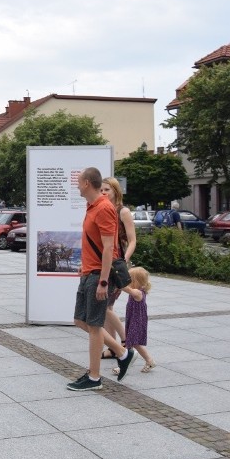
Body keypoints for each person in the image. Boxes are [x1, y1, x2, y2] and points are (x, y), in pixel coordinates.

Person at [67, 167, 136, 392]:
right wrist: (85, 265)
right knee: (81, 320)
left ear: (87, 183)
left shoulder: (104, 208)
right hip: (89, 271)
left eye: (79, 182)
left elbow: (109, 248)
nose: (77, 186)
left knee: (95, 326)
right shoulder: (92, 206)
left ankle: (94, 377)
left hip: (98, 275)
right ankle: (123, 353)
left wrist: (104, 281)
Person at [100, 177, 136, 357]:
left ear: (115, 191)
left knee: (105, 306)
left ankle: (124, 341)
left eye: (107, 190)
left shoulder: (123, 212)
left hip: (116, 265)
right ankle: (114, 348)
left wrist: (123, 260)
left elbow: (132, 241)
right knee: (108, 308)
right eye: (101, 190)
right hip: (104, 263)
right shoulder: (102, 209)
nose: (103, 193)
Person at [113, 266, 156, 375]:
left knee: (133, 343)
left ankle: (146, 360)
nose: (128, 281)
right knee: (131, 342)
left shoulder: (138, 292)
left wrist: (117, 280)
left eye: (129, 279)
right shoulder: (137, 291)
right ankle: (146, 361)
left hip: (137, 321)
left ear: (136, 281)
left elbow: (126, 289)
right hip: (133, 319)